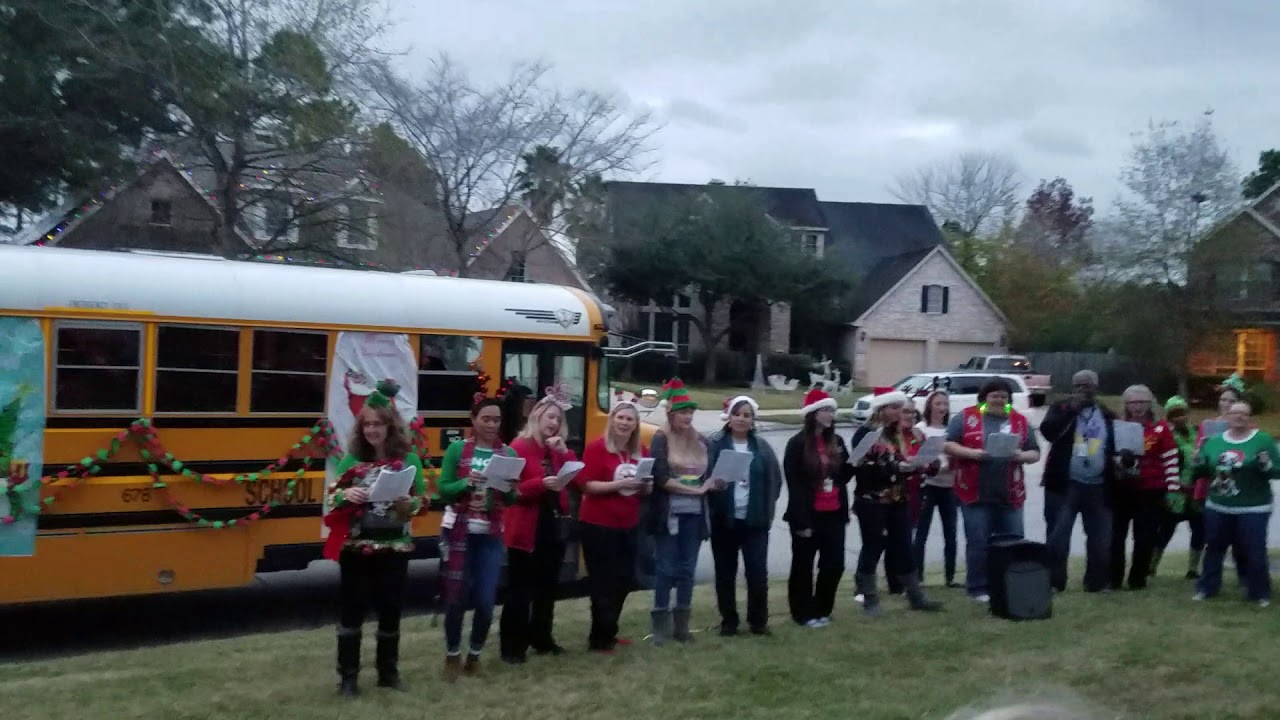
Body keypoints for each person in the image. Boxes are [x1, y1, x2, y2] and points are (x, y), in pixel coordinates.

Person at [324, 380, 425, 696]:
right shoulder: (352, 461)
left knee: (390, 608)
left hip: (394, 545)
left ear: (390, 426)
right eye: (367, 424)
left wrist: (411, 504)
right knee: (352, 609)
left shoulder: (410, 460)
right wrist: (345, 494)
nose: (372, 430)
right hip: (356, 545)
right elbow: (332, 498)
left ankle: (388, 673)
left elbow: (422, 501)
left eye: (378, 424)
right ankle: (349, 677)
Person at [437, 398, 518, 680]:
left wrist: (507, 487)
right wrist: (465, 483)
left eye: (496, 420)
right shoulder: (458, 449)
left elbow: (511, 497)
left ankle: (474, 655)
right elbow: (443, 490)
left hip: (490, 536)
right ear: (473, 420)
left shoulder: (506, 452)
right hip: (460, 531)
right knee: (455, 598)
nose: (492, 425)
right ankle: (451, 655)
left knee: (485, 600)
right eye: (486, 419)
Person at [499, 386, 576, 664]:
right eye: (549, 417)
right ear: (536, 417)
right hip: (525, 527)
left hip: (552, 525)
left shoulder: (556, 450)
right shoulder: (519, 447)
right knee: (520, 589)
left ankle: (542, 637)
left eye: (558, 419)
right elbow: (510, 490)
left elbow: (576, 476)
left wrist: (565, 453)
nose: (554, 423)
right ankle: (512, 647)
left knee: (547, 587)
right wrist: (539, 484)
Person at [944, 378, 1040, 603]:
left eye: (1004, 396)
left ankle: (1012, 583)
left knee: (1014, 540)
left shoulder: (1019, 420)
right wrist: (972, 453)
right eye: (994, 395)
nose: (999, 400)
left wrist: (1021, 456)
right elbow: (948, 444)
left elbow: (1035, 452)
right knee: (978, 542)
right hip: (974, 491)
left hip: (1010, 492)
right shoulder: (967, 416)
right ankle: (977, 587)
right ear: (984, 397)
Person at [853, 390, 943, 614]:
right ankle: (869, 597)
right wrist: (894, 466)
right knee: (873, 546)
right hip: (872, 499)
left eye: (899, 408)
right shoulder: (867, 433)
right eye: (893, 408)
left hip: (898, 497)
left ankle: (915, 595)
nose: (898, 413)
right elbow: (860, 465)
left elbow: (909, 458)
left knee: (904, 547)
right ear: (881, 409)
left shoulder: (898, 433)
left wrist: (923, 462)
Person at [576, 401, 650, 652]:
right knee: (602, 582)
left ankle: (610, 630)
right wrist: (618, 486)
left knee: (625, 579)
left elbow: (646, 489)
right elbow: (587, 486)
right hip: (598, 524)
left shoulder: (641, 451)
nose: (624, 423)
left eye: (629, 419)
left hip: (628, 523)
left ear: (635, 425)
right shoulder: (597, 448)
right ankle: (599, 638)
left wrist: (646, 486)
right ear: (612, 420)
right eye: (620, 417)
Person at [707, 395, 783, 636]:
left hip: (755, 521)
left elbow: (775, 481)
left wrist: (766, 508)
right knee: (725, 573)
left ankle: (758, 621)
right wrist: (713, 485)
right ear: (728, 418)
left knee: (757, 572)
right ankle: (729, 621)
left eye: (747, 415)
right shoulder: (714, 444)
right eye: (737, 414)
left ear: (753, 420)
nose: (741, 419)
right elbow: (703, 475)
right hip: (724, 519)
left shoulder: (762, 447)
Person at [1193, 401, 1280, 607]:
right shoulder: (1214, 441)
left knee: (1254, 550)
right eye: (1235, 413)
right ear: (1227, 417)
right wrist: (1197, 460)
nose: (1239, 417)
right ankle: (1207, 588)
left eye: (1244, 414)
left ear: (1249, 418)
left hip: (1253, 507)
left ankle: (1259, 592)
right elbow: (1202, 473)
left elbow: (1276, 472)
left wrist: (1265, 463)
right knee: (1214, 548)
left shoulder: (1263, 440)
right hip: (1218, 506)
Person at [648, 378, 713, 645]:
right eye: (683, 412)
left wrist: (714, 482)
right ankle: (660, 628)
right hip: (670, 514)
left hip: (695, 515)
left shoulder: (700, 441)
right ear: (671, 413)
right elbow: (661, 478)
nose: (688, 417)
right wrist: (696, 491)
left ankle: (681, 627)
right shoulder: (660, 439)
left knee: (688, 569)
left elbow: (708, 474)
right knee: (666, 569)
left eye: (691, 412)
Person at [1041, 370, 1119, 593]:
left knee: (1100, 538)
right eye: (1079, 386)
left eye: (1089, 385)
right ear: (1073, 387)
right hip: (1064, 485)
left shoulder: (1106, 414)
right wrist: (1072, 410)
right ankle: (1055, 582)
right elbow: (1048, 432)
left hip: (1098, 485)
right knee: (1058, 536)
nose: (1084, 390)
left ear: (1097, 387)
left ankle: (1096, 582)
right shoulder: (1061, 408)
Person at [783, 388, 855, 627]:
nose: (830, 414)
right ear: (813, 413)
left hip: (833, 511)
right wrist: (801, 521)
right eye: (825, 410)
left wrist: (855, 463)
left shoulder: (837, 441)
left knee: (834, 564)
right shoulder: (797, 444)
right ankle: (802, 613)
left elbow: (842, 477)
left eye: (832, 410)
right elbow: (794, 484)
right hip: (808, 513)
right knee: (803, 566)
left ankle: (822, 609)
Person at [1109, 385, 1179, 590]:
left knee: (1145, 536)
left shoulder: (1161, 428)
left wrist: (1173, 488)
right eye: (1133, 402)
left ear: (1150, 404)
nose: (1137, 407)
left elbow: (1171, 458)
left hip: (1151, 489)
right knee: (1116, 536)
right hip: (1122, 488)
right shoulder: (1118, 425)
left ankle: (1137, 579)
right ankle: (1114, 578)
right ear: (1126, 405)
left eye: (1142, 402)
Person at [1197, 374, 1249, 584]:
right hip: (1212, 482)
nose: (1225, 404)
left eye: (1231, 401)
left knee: (1241, 538)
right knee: (1213, 536)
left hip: (1237, 484)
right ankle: (1209, 579)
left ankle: (1245, 576)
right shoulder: (1208, 425)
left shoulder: (1245, 427)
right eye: (1223, 400)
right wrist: (1203, 447)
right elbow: (1199, 456)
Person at [1151, 395, 1204, 579]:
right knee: (1165, 531)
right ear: (1169, 417)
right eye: (1175, 415)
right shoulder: (1165, 435)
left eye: (1182, 413)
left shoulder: (1197, 433)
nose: (1179, 418)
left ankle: (1193, 569)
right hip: (1174, 492)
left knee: (1199, 530)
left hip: (1195, 492)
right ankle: (1152, 566)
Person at [914, 390, 959, 587]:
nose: (942, 407)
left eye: (945, 404)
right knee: (921, 531)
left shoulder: (951, 430)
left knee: (951, 532)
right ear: (929, 406)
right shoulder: (920, 429)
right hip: (928, 485)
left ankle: (950, 577)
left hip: (949, 485)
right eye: (938, 403)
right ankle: (918, 576)